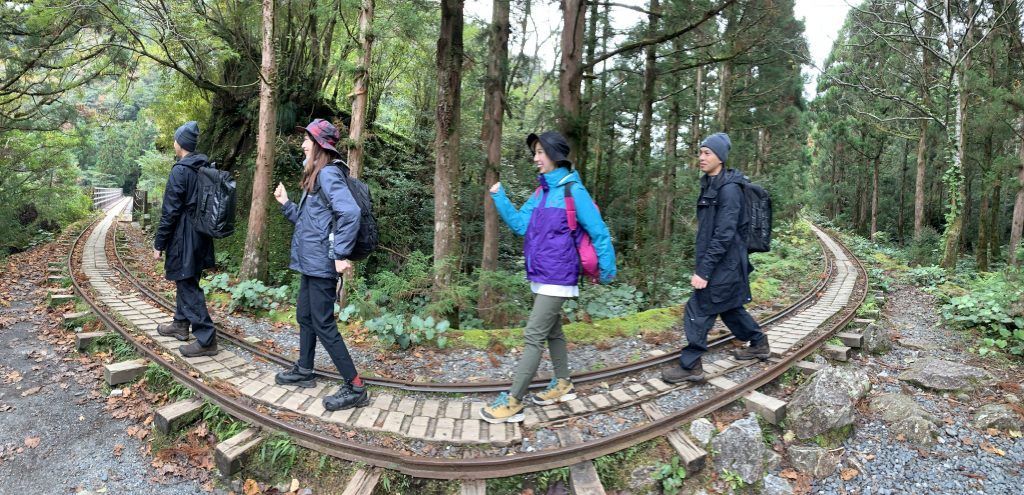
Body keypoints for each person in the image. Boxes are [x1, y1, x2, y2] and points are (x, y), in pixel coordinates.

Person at [479, 131, 616, 424]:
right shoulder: (541, 193)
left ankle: (514, 401)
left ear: (555, 155)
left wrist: (607, 270)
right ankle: (563, 382)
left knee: (533, 335)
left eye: (540, 152)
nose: (536, 158)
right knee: (553, 331)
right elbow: (520, 226)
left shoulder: (573, 191)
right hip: (541, 273)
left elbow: (599, 232)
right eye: (535, 153)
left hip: (560, 275)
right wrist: (500, 198)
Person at [272, 118, 369, 411]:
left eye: (307, 140)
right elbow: (309, 223)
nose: (303, 144)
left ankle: (355, 387)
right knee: (305, 316)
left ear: (319, 146)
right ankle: (305, 369)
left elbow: (350, 213)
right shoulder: (316, 176)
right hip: (311, 263)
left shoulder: (328, 174)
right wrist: (286, 204)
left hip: (322, 264)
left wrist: (340, 254)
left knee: (323, 323)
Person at [662, 132, 770, 384]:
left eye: (707, 153)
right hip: (725, 262)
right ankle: (759, 343)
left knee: (698, 308)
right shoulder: (711, 184)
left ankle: (691, 365)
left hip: (725, 263)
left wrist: (704, 270)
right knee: (730, 307)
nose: (701, 157)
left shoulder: (729, 190)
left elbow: (724, 234)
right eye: (700, 152)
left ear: (720, 157)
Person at [155, 121, 219, 358]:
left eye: (175, 139)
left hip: (184, 236)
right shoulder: (203, 167)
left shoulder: (180, 171)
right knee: (187, 278)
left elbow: (170, 212)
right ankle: (181, 324)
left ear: (180, 143)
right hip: (201, 235)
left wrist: (159, 243)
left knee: (187, 284)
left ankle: (207, 338)